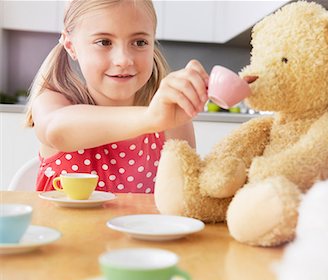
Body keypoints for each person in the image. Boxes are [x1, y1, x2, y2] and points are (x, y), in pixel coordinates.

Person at [25, 0, 209, 193]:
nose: (123, 60)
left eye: (139, 42)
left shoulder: (171, 118)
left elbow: (185, 195)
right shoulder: (53, 101)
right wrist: (152, 117)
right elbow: (56, 131)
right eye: (104, 42)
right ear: (71, 46)